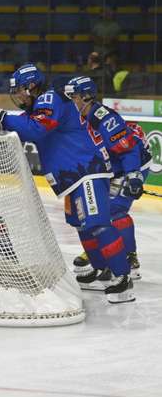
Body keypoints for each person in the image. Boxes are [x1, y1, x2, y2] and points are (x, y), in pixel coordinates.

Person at [0, 64, 135, 304]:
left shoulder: (48, 98)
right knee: (84, 226)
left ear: (32, 86)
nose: (17, 97)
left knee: (98, 225)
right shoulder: (39, 105)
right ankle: (103, 270)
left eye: (20, 91)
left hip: (87, 171)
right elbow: (24, 125)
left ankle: (122, 278)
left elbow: (35, 130)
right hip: (74, 177)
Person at [63, 76, 149, 289]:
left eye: (73, 97)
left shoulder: (102, 117)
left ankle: (129, 259)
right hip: (109, 170)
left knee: (113, 211)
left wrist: (133, 175)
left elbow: (128, 148)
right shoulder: (76, 117)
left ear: (86, 96)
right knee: (97, 214)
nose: (69, 101)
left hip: (133, 162)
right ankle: (104, 258)